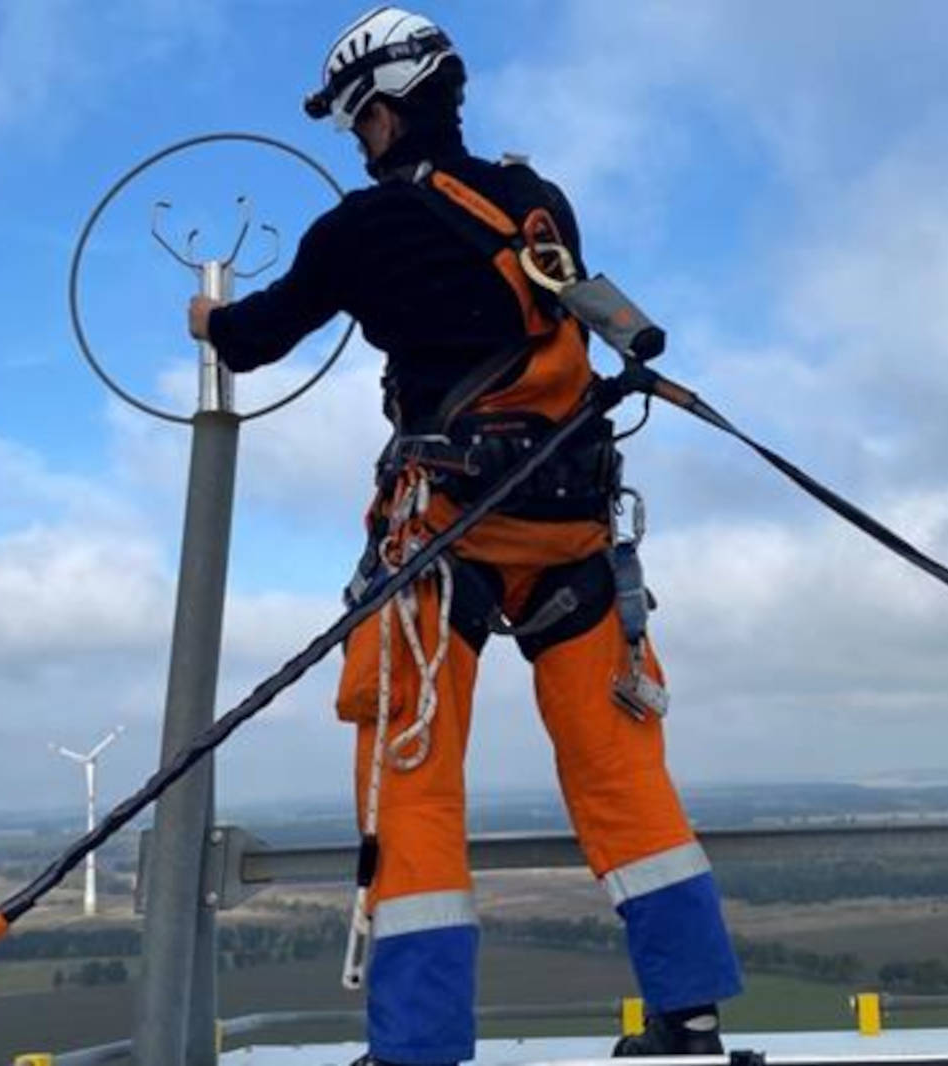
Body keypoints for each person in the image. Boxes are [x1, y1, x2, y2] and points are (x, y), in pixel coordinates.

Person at [187, 8, 742, 1064]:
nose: (358, 145)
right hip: (572, 530)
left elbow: (259, 339)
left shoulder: (358, 230)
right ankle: (690, 1017)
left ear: (384, 117)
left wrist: (207, 321)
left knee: (413, 783)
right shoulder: (538, 202)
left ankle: (420, 1048)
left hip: (445, 534)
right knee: (620, 771)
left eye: (358, 128)